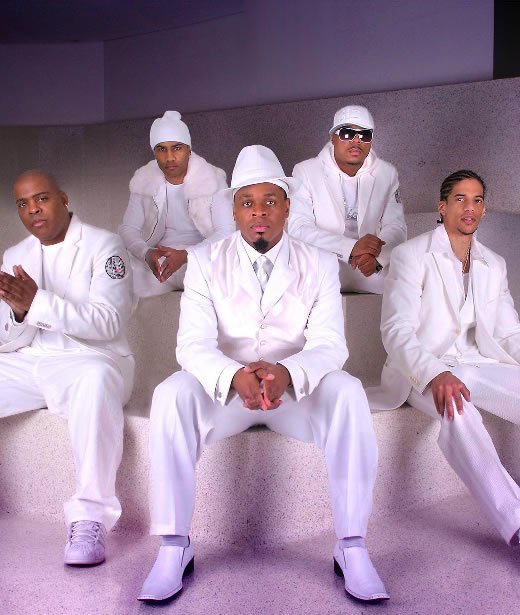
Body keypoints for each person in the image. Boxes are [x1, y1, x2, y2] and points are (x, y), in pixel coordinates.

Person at [138, 145, 388, 603]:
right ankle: (174, 545)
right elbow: (191, 345)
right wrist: (234, 376)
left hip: (294, 394)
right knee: (171, 393)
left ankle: (351, 545)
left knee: (349, 390)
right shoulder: (205, 262)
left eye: (270, 201)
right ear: (234, 210)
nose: (259, 212)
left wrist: (287, 372)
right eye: (247, 202)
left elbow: (331, 345)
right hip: (228, 395)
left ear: (287, 207)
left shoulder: (319, 262)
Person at [367, 169, 520, 547]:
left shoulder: (494, 263)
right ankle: (515, 521)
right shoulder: (410, 255)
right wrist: (434, 373)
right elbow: (396, 331)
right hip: (421, 369)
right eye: (460, 199)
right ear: (442, 207)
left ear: (484, 209)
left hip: (477, 362)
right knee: (458, 407)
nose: (470, 208)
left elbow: (508, 334)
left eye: (477, 200)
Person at [0, 170, 134, 566]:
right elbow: (9, 337)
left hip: (90, 360)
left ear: (63, 198)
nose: (33, 210)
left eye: (41, 198)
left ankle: (89, 518)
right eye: (22, 204)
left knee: (96, 380)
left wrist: (37, 302)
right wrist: (19, 314)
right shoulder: (15, 255)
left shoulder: (105, 246)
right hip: (32, 359)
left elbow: (108, 322)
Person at [289, 105, 406, 293]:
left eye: (364, 135)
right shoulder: (306, 171)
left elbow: (396, 227)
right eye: (347, 134)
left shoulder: (386, 173)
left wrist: (377, 259)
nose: (356, 141)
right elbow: (299, 229)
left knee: (413, 283)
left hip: (369, 265)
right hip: (322, 263)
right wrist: (351, 248)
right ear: (333, 138)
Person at [119, 110, 234, 297]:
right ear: (154, 153)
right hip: (158, 264)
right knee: (115, 279)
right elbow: (128, 229)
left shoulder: (212, 179)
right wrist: (146, 253)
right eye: (161, 149)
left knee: (228, 282)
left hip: (203, 262)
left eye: (177, 148)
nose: (170, 157)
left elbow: (226, 231)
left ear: (189, 149)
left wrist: (185, 255)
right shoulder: (144, 181)